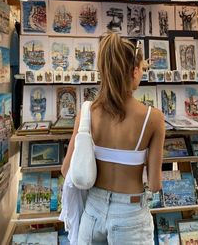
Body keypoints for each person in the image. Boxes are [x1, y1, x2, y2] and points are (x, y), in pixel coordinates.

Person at [61, 32, 165, 244]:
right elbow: (154, 184)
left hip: (92, 213)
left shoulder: (87, 112)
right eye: (142, 69)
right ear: (134, 71)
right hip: (130, 215)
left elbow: (66, 170)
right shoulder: (153, 118)